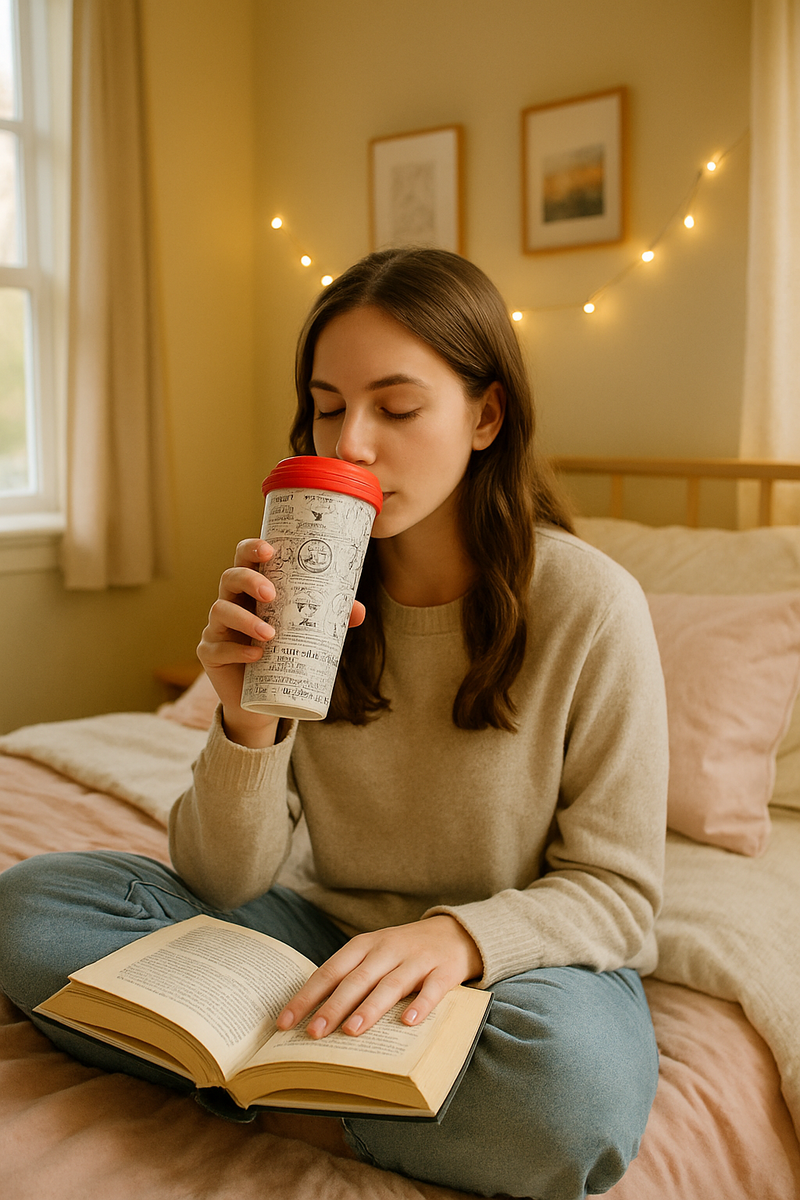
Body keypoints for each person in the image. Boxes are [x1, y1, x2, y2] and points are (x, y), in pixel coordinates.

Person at [0, 247, 668, 1199]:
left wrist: (452, 939)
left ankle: (272, 1092)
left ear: (486, 414)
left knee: (571, 1092)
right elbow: (225, 878)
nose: (350, 441)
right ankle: (331, 1079)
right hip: (312, 933)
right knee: (32, 909)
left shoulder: (590, 605)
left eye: (396, 408)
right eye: (326, 405)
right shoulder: (310, 583)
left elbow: (619, 893)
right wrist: (244, 726)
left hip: (505, 969)